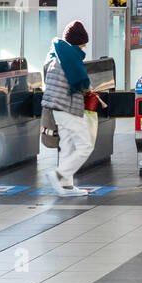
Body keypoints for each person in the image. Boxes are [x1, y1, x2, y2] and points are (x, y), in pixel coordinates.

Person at [41, 20, 94, 197]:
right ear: (77, 41)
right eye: (83, 43)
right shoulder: (70, 58)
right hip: (68, 107)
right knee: (85, 145)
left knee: (67, 145)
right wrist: (88, 90)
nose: (84, 47)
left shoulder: (56, 55)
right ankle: (59, 175)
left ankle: (66, 186)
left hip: (56, 107)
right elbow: (81, 82)